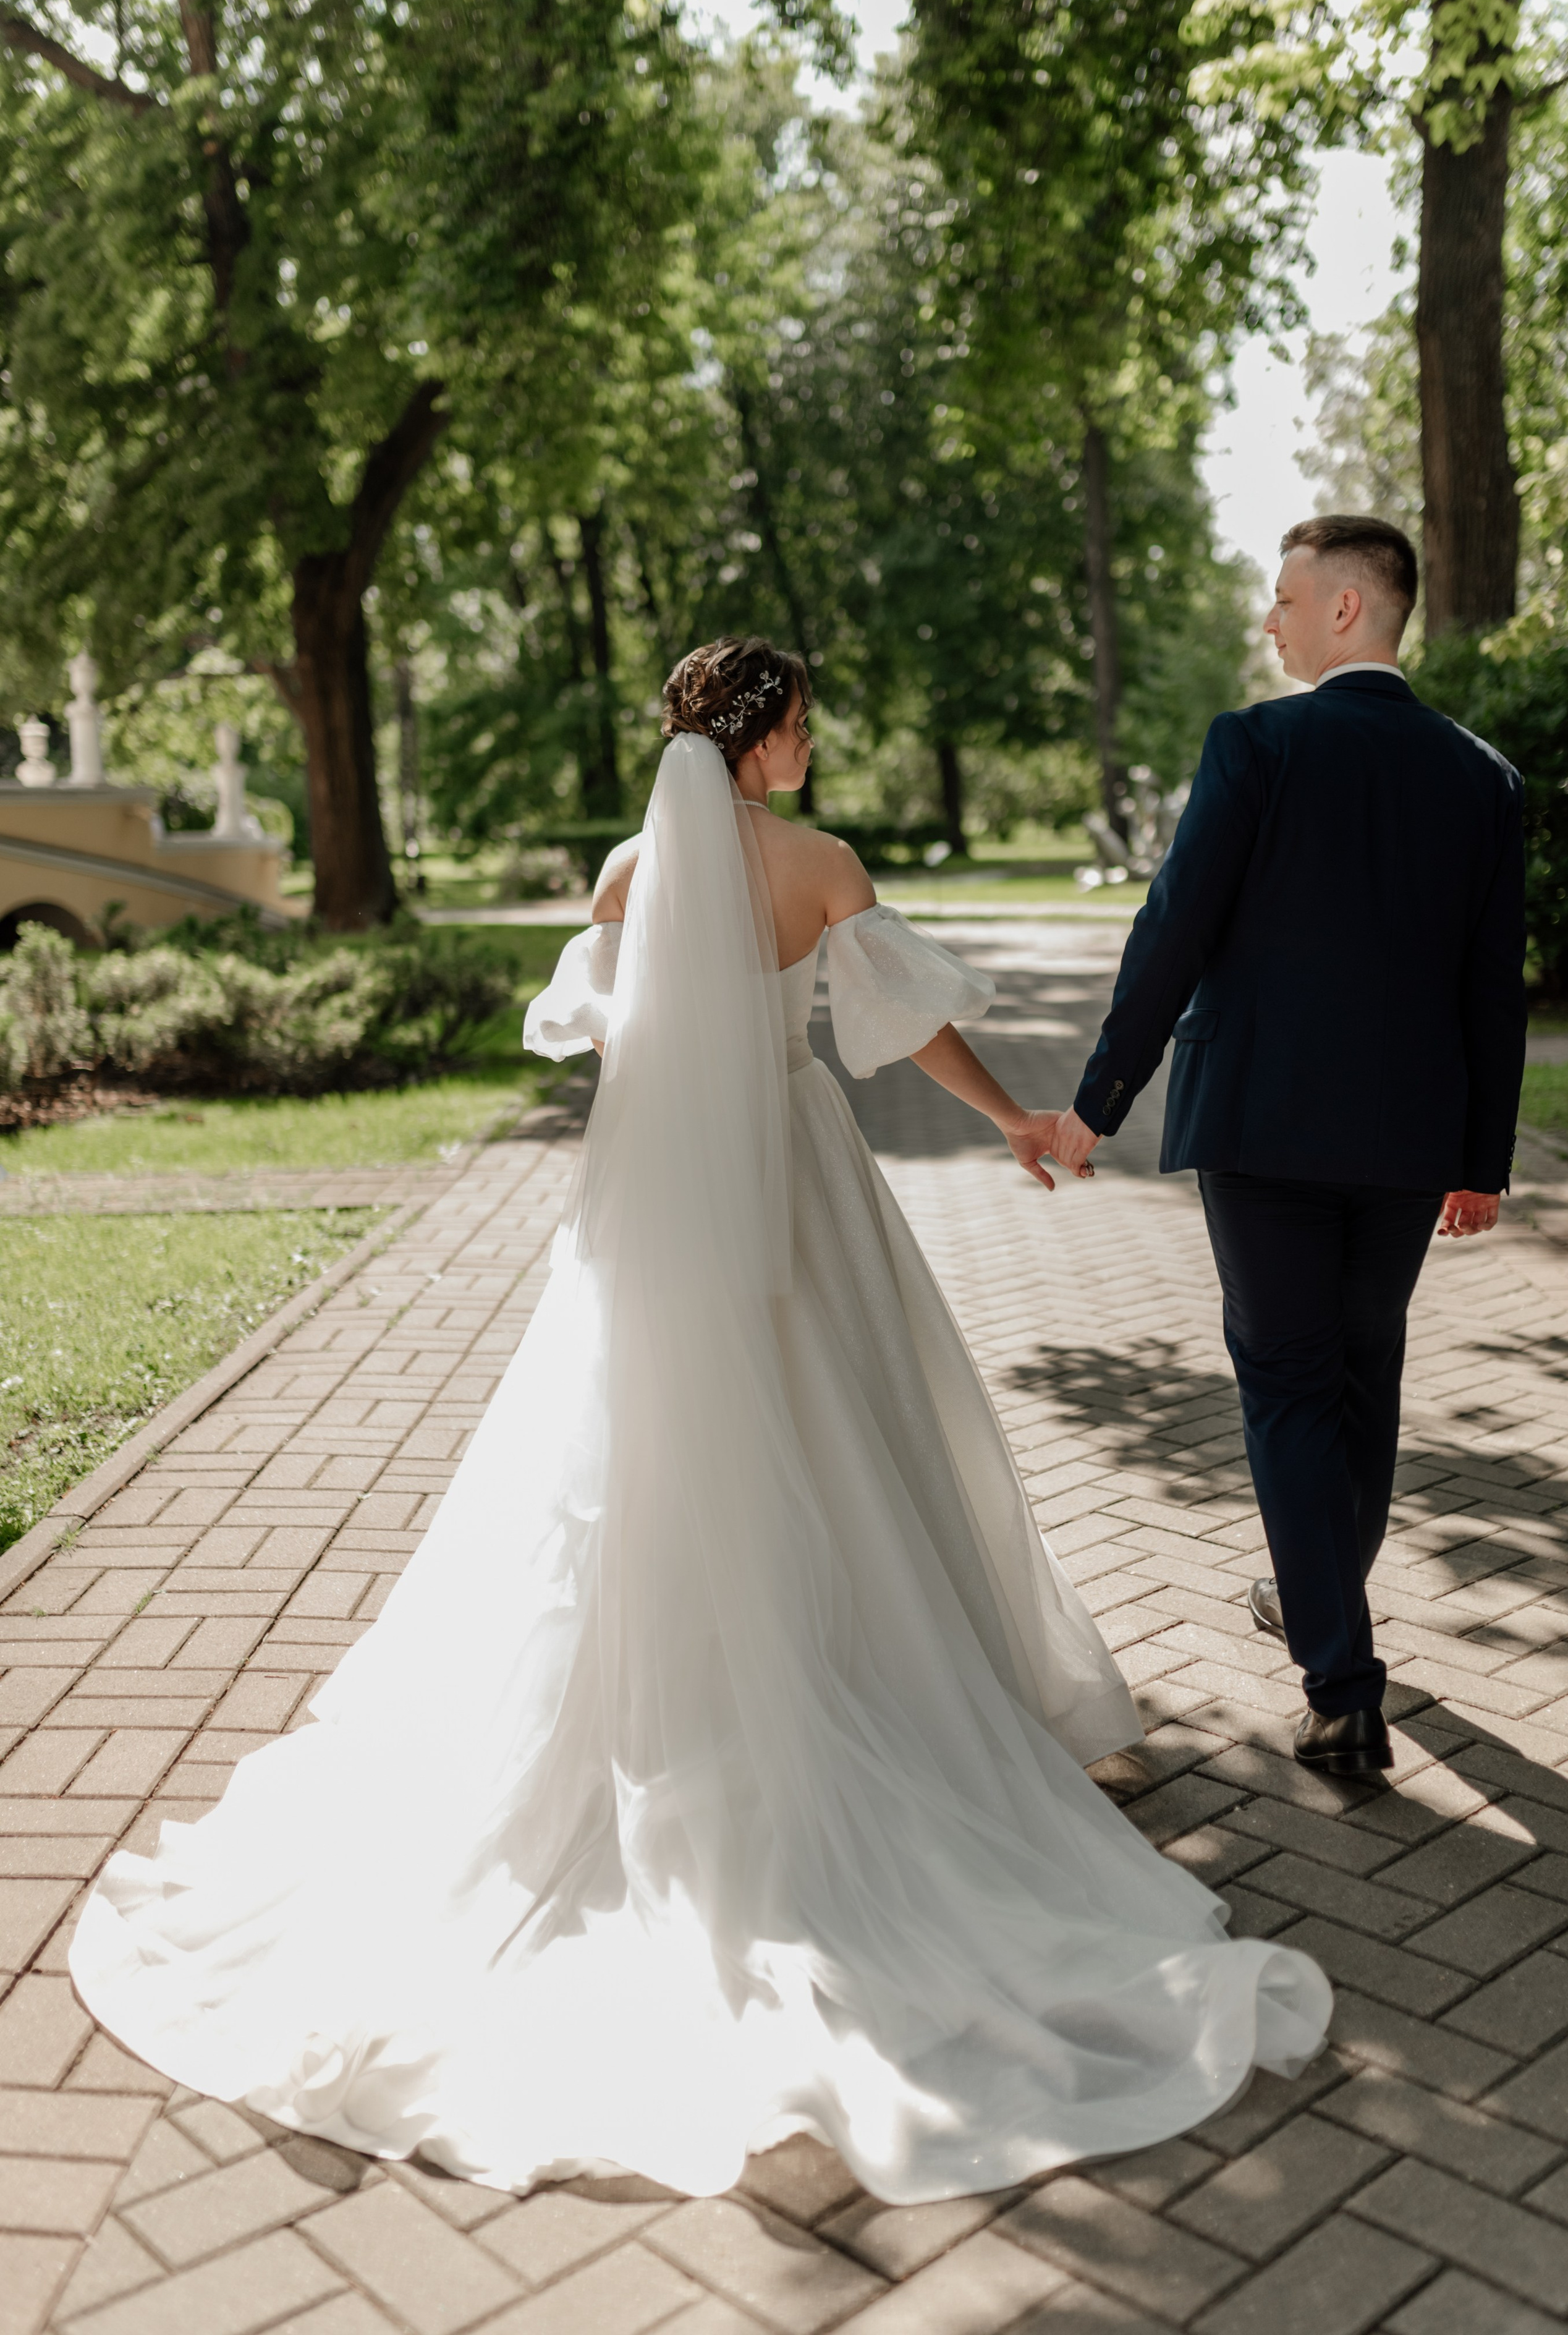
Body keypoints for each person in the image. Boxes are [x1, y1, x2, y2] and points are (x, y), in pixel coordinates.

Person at [69, 637, 1329, 2206]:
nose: (814, 741)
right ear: (758, 734)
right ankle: (869, 1691)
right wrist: (1012, 1114)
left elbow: (610, 1040)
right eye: (803, 721)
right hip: (798, 1192)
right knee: (852, 1441)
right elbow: (894, 1031)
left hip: (656, 1225)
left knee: (636, 1464)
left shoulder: (625, 868)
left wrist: (693, 1084)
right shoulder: (818, 866)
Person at [1048, 517, 1527, 1779]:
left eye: (1281, 598)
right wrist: (1481, 1157)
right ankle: (1324, 1607)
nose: (1265, 621)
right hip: (1408, 1136)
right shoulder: (1481, 777)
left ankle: (1339, 1681)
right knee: (1357, 1376)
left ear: (1344, 612)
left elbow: (1172, 931)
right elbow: (1493, 991)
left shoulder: (1254, 745)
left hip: (1260, 1124)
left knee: (1282, 1381)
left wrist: (1096, 1100)